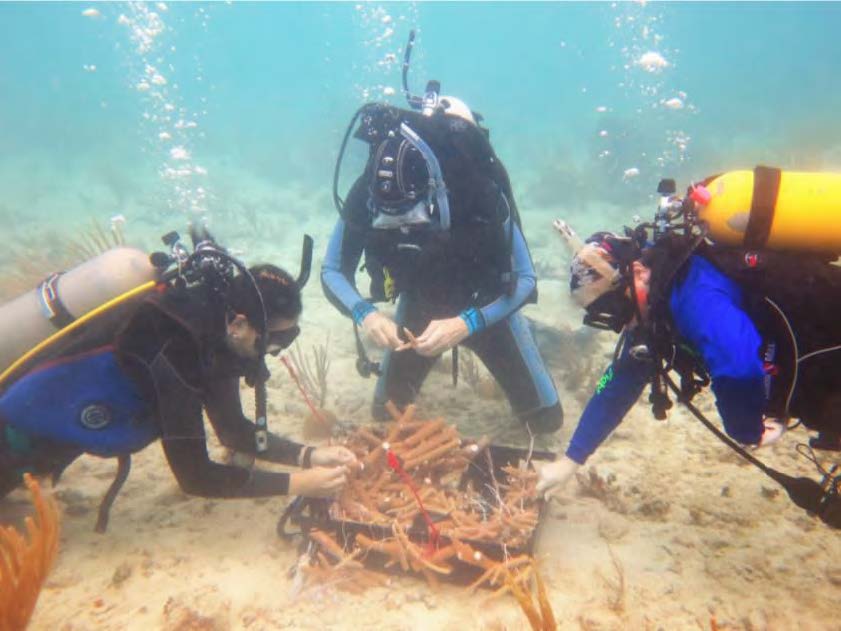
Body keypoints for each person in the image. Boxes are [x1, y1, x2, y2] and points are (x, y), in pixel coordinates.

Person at [0, 238, 356, 522]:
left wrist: (309, 456)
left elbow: (234, 431)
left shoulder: (218, 339)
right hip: (16, 435)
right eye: (275, 339)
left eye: (288, 338)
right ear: (240, 324)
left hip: (56, 436)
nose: (275, 351)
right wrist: (299, 484)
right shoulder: (176, 350)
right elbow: (196, 477)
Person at [321, 81, 562, 434]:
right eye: (389, 217)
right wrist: (367, 315)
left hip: (485, 308)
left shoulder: (477, 189)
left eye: (409, 214)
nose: (399, 224)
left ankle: (534, 337)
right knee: (386, 416)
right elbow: (331, 271)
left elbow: (525, 281)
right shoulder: (370, 188)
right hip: (420, 305)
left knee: (544, 422)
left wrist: (467, 323)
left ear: (435, 190)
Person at [537, 218, 841, 497]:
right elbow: (618, 384)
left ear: (638, 273)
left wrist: (746, 429)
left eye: (616, 308)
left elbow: (739, 363)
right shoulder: (656, 305)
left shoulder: (692, 294)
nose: (621, 323)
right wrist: (570, 461)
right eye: (605, 315)